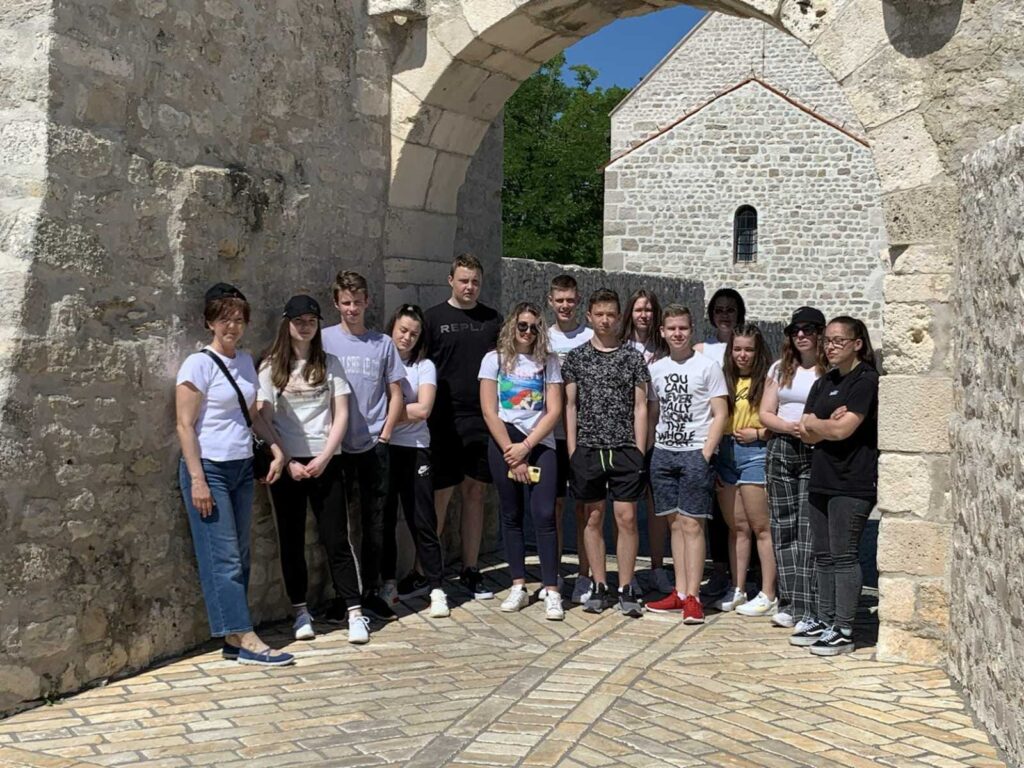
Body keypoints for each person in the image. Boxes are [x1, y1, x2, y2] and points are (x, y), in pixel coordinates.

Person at [175, 283, 292, 666]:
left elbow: (252, 415)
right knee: (223, 557)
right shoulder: (198, 364)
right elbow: (184, 425)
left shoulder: (244, 361)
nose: (232, 326)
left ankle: (232, 636)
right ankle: (245, 637)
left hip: (241, 466)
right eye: (225, 319)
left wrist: (276, 448)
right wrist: (197, 479)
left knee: (240, 555)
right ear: (210, 322)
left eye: (239, 320)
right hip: (210, 467)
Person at [257, 295, 371, 645]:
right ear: (287, 323)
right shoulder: (271, 366)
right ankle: (300, 611)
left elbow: (341, 413)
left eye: (311, 320)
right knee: (291, 539)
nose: (305, 326)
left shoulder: (329, 363)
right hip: (287, 462)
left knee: (336, 537)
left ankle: (355, 611)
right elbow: (262, 417)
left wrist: (325, 456)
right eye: (298, 320)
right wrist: (287, 459)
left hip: (326, 460)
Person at [322, 271, 406, 623]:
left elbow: (396, 393)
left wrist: (385, 435)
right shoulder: (324, 340)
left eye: (357, 302)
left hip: (373, 443)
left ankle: (371, 591)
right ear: (336, 304)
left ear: (367, 302)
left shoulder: (382, 344)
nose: (352, 309)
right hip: (336, 446)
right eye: (346, 303)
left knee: (375, 523)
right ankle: (343, 595)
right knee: (337, 525)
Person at [562, 288, 650, 618]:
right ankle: (599, 584)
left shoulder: (632, 357)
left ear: (619, 317)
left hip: (625, 448)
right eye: (599, 314)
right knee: (593, 517)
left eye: (611, 314)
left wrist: (639, 449)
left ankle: (626, 586)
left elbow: (641, 406)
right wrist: (573, 450)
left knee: (626, 518)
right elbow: (570, 405)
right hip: (588, 448)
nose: (605, 320)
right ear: (589, 316)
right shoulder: (577, 357)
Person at [795, 317, 878, 656]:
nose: (830, 346)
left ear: (857, 344)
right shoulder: (824, 381)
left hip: (852, 480)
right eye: (827, 340)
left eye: (838, 340)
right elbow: (804, 430)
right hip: (822, 477)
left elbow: (844, 430)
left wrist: (820, 424)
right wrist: (824, 423)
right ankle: (825, 618)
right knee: (823, 555)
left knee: (844, 555)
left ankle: (844, 628)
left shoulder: (866, 381)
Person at [424, 253, 502, 600]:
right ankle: (428, 571)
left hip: (481, 418)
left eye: (475, 282)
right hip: (442, 419)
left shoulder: (492, 320)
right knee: (440, 494)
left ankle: (470, 568)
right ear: (450, 280)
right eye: (464, 280)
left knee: (475, 494)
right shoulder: (433, 319)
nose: (469, 287)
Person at [480, 302, 564, 619]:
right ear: (512, 326)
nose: (528, 332)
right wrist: (512, 453)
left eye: (534, 327)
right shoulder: (494, 359)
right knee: (511, 513)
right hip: (505, 440)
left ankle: (551, 588)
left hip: (538, 441)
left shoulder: (549, 361)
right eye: (522, 326)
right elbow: (489, 410)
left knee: (544, 513)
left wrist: (527, 446)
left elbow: (554, 409)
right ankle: (518, 584)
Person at [645, 306, 729, 624]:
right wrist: (651, 449)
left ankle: (694, 596)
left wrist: (706, 453)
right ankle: (679, 592)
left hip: (695, 451)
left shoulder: (708, 367)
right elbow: (654, 413)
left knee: (693, 525)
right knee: (675, 525)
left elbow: (720, 413)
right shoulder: (657, 368)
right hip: (664, 452)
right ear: (663, 332)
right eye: (672, 329)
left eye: (682, 328)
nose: (677, 334)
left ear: (691, 329)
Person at [759, 307, 827, 634]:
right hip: (783, 446)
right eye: (795, 330)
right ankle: (788, 602)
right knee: (782, 525)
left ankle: (806, 605)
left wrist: (809, 428)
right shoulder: (780, 368)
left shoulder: (827, 371)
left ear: (820, 333)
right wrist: (788, 426)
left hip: (815, 448)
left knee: (807, 528)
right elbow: (765, 412)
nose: (801, 335)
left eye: (808, 329)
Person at [380, 304, 450, 619]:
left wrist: (383, 416)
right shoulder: (380, 361)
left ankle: (436, 587)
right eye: (403, 330)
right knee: (383, 520)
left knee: (422, 519)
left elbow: (423, 409)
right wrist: (394, 417)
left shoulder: (424, 366)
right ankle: (388, 584)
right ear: (392, 328)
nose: (407, 337)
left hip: (415, 448)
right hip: (385, 448)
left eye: (414, 333)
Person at [715, 323, 779, 617]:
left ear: (758, 351)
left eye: (748, 349)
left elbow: (781, 417)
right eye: (737, 349)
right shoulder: (723, 378)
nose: (742, 355)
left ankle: (768, 592)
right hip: (726, 452)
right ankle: (738, 587)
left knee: (761, 527)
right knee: (737, 528)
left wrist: (760, 433)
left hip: (755, 451)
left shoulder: (767, 380)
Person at [695, 288, 748, 605]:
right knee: (715, 508)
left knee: (744, 509)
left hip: (741, 434)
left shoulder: (748, 346)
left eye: (730, 309)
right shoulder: (702, 350)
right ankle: (718, 569)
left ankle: (746, 572)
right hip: (710, 435)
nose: (724, 315)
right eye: (719, 310)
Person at [621, 289, 672, 596]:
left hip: (658, 431)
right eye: (639, 309)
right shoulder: (620, 345)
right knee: (623, 508)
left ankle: (657, 566)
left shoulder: (664, 348)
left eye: (649, 310)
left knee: (657, 506)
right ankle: (625, 570)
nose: (644, 315)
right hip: (623, 431)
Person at [546, 275, 594, 604]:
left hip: (584, 434)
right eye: (559, 300)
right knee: (553, 507)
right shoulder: (543, 337)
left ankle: (585, 575)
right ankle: (555, 573)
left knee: (584, 509)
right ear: (550, 301)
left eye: (570, 300)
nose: (565, 305)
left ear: (578, 302)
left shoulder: (589, 337)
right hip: (552, 435)